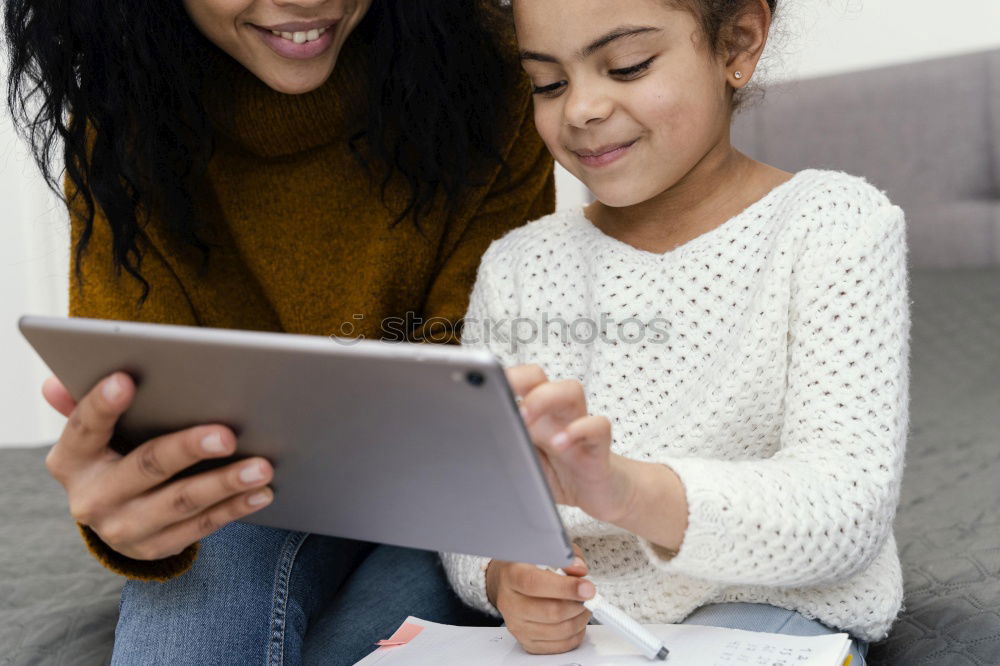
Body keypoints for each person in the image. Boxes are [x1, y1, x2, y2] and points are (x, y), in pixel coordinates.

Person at [4, 0, 554, 663]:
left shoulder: (493, 77)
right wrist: (133, 515)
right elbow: (148, 436)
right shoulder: (123, 111)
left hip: (441, 496)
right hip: (244, 493)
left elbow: (476, 406)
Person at [441, 1, 909, 663]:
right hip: (587, 632)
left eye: (626, 67)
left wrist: (627, 491)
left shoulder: (834, 225)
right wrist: (502, 576)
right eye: (547, 84)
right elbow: (470, 494)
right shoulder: (517, 266)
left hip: (765, 613)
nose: (580, 109)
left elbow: (845, 508)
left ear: (737, 44)